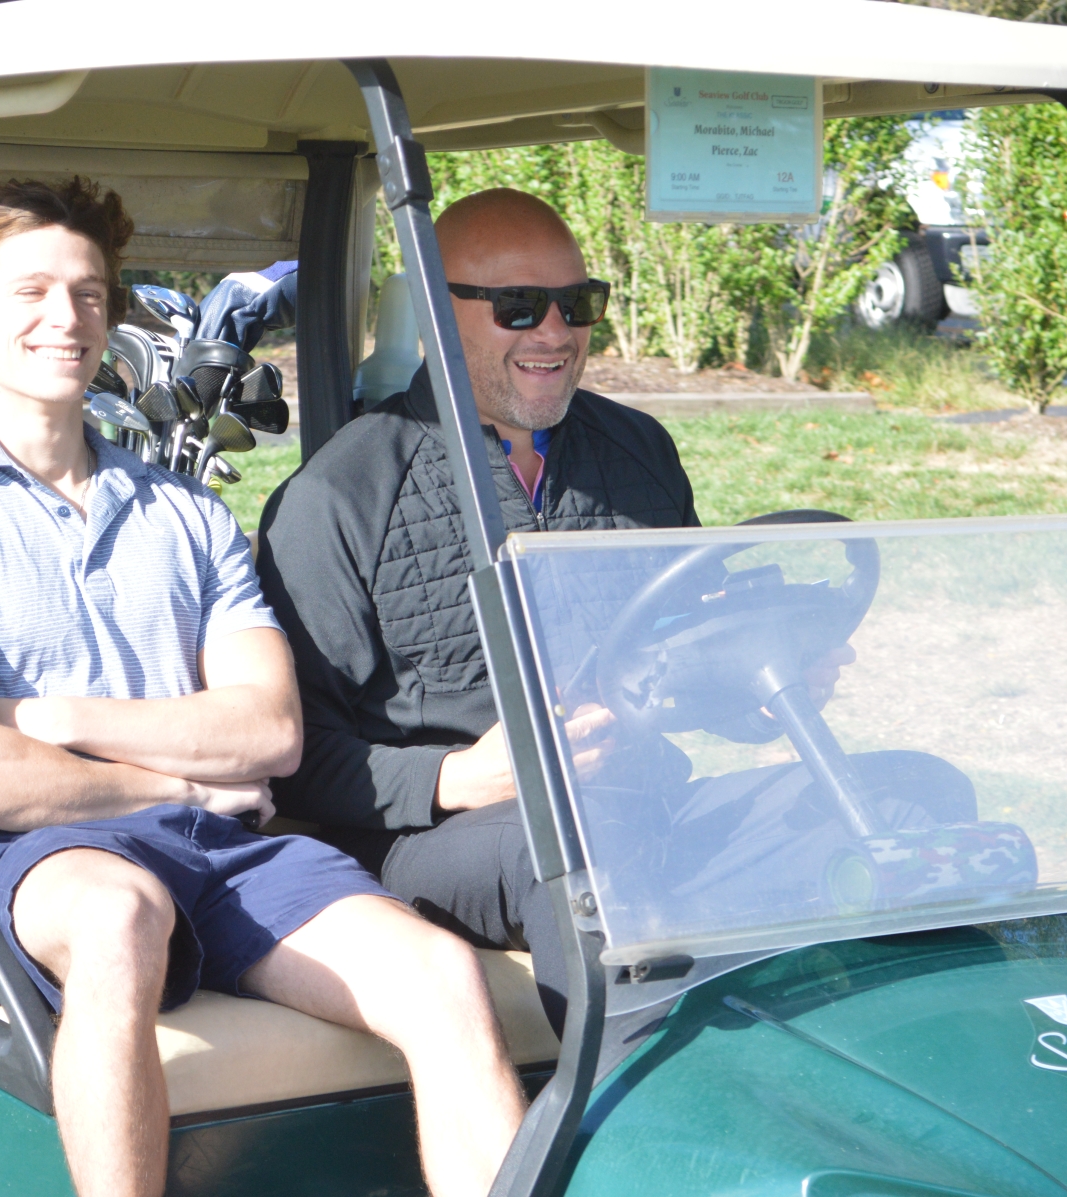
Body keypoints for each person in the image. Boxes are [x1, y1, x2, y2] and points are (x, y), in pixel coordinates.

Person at [0, 177, 523, 1197]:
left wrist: (54, 720)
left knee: (441, 974)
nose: (67, 317)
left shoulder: (186, 515)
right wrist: (180, 782)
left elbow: (269, 732)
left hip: (225, 850)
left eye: (88, 292)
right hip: (42, 857)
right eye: (31, 292)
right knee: (120, 917)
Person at [258, 188, 865, 1028]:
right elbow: (290, 757)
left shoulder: (636, 454)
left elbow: (675, 663)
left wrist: (758, 690)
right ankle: (648, 1104)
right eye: (518, 306)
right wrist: (455, 776)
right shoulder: (342, 494)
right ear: (434, 311)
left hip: (641, 804)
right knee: (579, 855)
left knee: (907, 799)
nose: (555, 331)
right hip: (445, 838)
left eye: (577, 304)